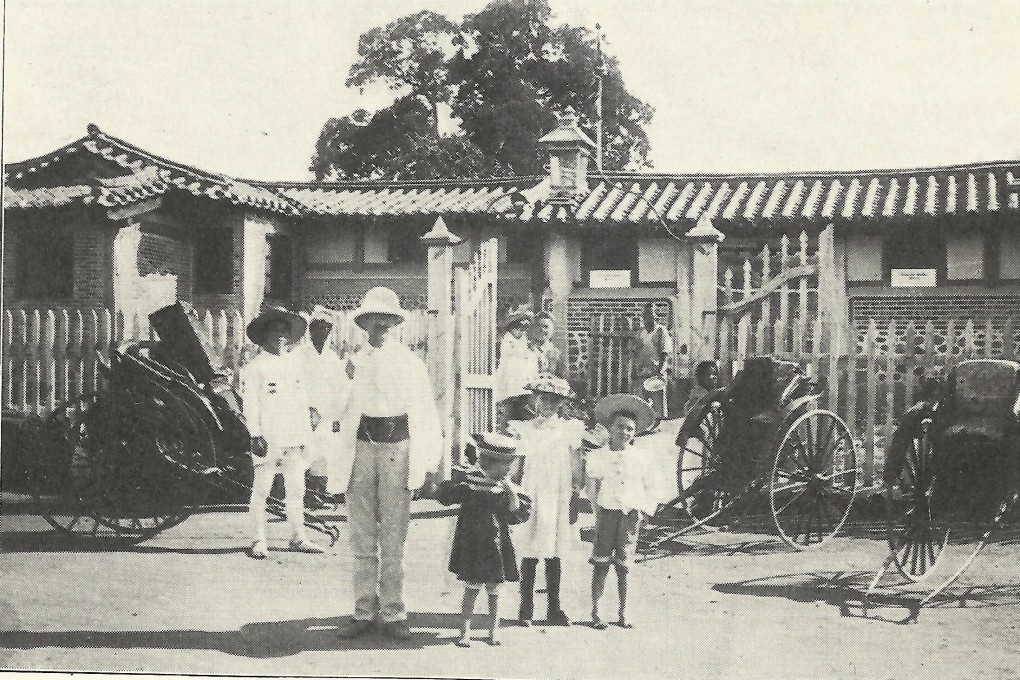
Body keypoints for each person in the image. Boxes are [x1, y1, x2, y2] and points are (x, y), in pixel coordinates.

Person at [332, 287, 443, 641]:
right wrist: (345, 378)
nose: (377, 326)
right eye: (371, 321)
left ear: (395, 324)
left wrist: (426, 464)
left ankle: (394, 612)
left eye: (385, 321)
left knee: (395, 537)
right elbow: (334, 411)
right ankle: (363, 611)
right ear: (362, 324)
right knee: (363, 535)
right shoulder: (351, 361)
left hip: (398, 449)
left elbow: (424, 413)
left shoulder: (409, 363)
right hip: (361, 449)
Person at [240, 306, 324, 558]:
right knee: (262, 488)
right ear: (264, 336)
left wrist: (312, 414)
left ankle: (298, 536)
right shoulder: (255, 368)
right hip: (269, 437)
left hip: (295, 436)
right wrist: (255, 435)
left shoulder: (295, 364)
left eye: (284, 331)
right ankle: (258, 539)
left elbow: (304, 397)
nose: (280, 336)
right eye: (275, 330)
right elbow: (250, 404)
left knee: (296, 489)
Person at [434, 433, 532, 648]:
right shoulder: (470, 481)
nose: (508, 471)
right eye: (504, 466)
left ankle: (493, 628)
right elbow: (445, 496)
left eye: (510, 466)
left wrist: (511, 493)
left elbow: (517, 514)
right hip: (473, 545)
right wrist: (463, 483)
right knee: (472, 587)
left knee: (495, 590)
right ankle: (464, 629)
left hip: (497, 544)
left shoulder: (504, 487)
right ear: (488, 463)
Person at [508, 373, 587, 626]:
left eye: (555, 401)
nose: (548, 405)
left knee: (554, 551)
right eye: (544, 399)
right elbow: (517, 466)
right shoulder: (524, 430)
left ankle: (554, 608)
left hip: (558, 493)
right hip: (533, 491)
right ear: (536, 400)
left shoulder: (568, 430)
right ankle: (526, 607)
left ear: (562, 403)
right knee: (531, 549)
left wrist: (576, 492)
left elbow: (576, 466)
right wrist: (514, 490)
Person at [585, 393, 659, 629]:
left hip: (630, 515)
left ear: (635, 432)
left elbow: (653, 486)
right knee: (601, 563)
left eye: (629, 429)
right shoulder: (598, 456)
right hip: (607, 513)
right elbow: (592, 488)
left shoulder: (642, 458)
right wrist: (597, 513)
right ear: (610, 428)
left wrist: (645, 511)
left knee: (624, 566)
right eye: (619, 427)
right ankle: (596, 611)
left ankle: (623, 611)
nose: (624, 433)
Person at [295, 306, 352, 507]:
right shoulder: (299, 355)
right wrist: (307, 409)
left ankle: (319, 492)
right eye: (317, 327)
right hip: (304, 414)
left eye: (326, 328)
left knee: (324, 451)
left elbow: (341, 389)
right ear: (310, 330)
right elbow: (294, 384)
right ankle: (305, 494)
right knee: (304, 453)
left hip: (326, 416)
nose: (321, 332)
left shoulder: (332, 359)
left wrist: (334, 416)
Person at [493, 309, 539, 430]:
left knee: (523, 412)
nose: (522, 331)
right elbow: (513, 354)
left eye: (525, 329)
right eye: (519, 328)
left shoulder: (523, 341)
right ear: (512, 328)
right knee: (508, 411)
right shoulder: (508, 341)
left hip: (522, 385)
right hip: (510, 383)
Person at [632, 302, 673, 420]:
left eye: (650, 314)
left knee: (657, 400)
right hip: (643, 370)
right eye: (644, 314)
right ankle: (643, 422)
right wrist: (635, 369)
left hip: (656, 369)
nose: (647, 317)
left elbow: (664, 353)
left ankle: (657, 422)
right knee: (640, 399)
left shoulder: (661, 331)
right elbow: (636, 352)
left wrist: (659, 371)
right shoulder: (641, 332)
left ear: (656, 316)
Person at [530, 311, 564, 377]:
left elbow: (561, 379)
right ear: (533, 329)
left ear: (552, 330)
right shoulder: (526, 350)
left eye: (545, 327)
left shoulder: (556, 354)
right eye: (538, 326)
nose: (542, 329)